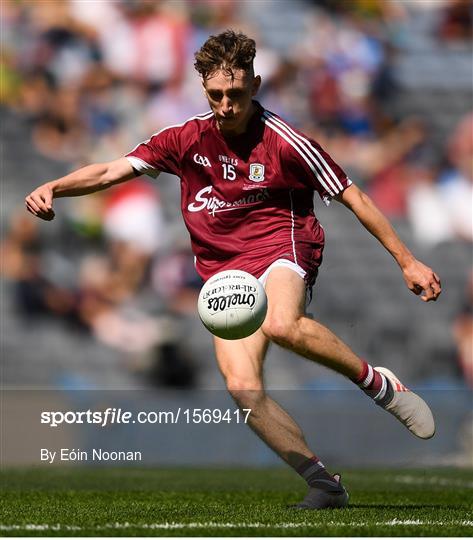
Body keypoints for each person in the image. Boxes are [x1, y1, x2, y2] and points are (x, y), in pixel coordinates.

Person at [25, 30, 442, 509]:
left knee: (282, 323)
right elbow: (107, 171)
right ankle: (325, 484)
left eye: (237, 94)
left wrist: (407, 260)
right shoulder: (183, 139)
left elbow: (355, 197)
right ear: (203, 88)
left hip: (282, 246)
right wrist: (55, 186)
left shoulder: (286, 142)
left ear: (256, 85)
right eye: (216, 94)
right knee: (243, 388)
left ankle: (379, 384)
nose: (226, 104)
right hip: (225, 273)